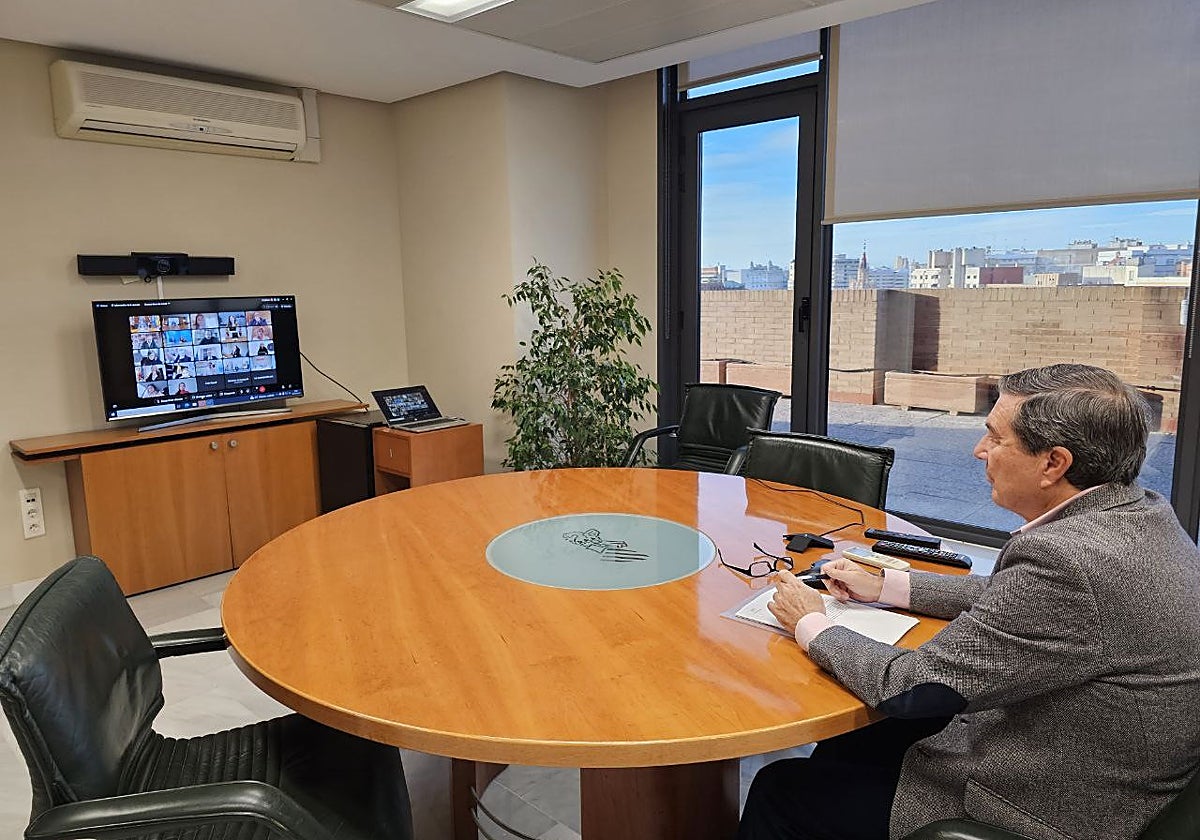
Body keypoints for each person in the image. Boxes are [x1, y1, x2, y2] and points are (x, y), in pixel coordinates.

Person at [741, 364, 1200, 840]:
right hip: (1099, 768)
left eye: (996, 438)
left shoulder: (1067, 562)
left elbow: (912, 688)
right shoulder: (1137, 513)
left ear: (1053, 464)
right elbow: (1013, 598)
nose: (979, 450)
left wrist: (812, 623)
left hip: (1045, 807)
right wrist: (887, 586)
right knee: (854, 740)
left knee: (781, 789)